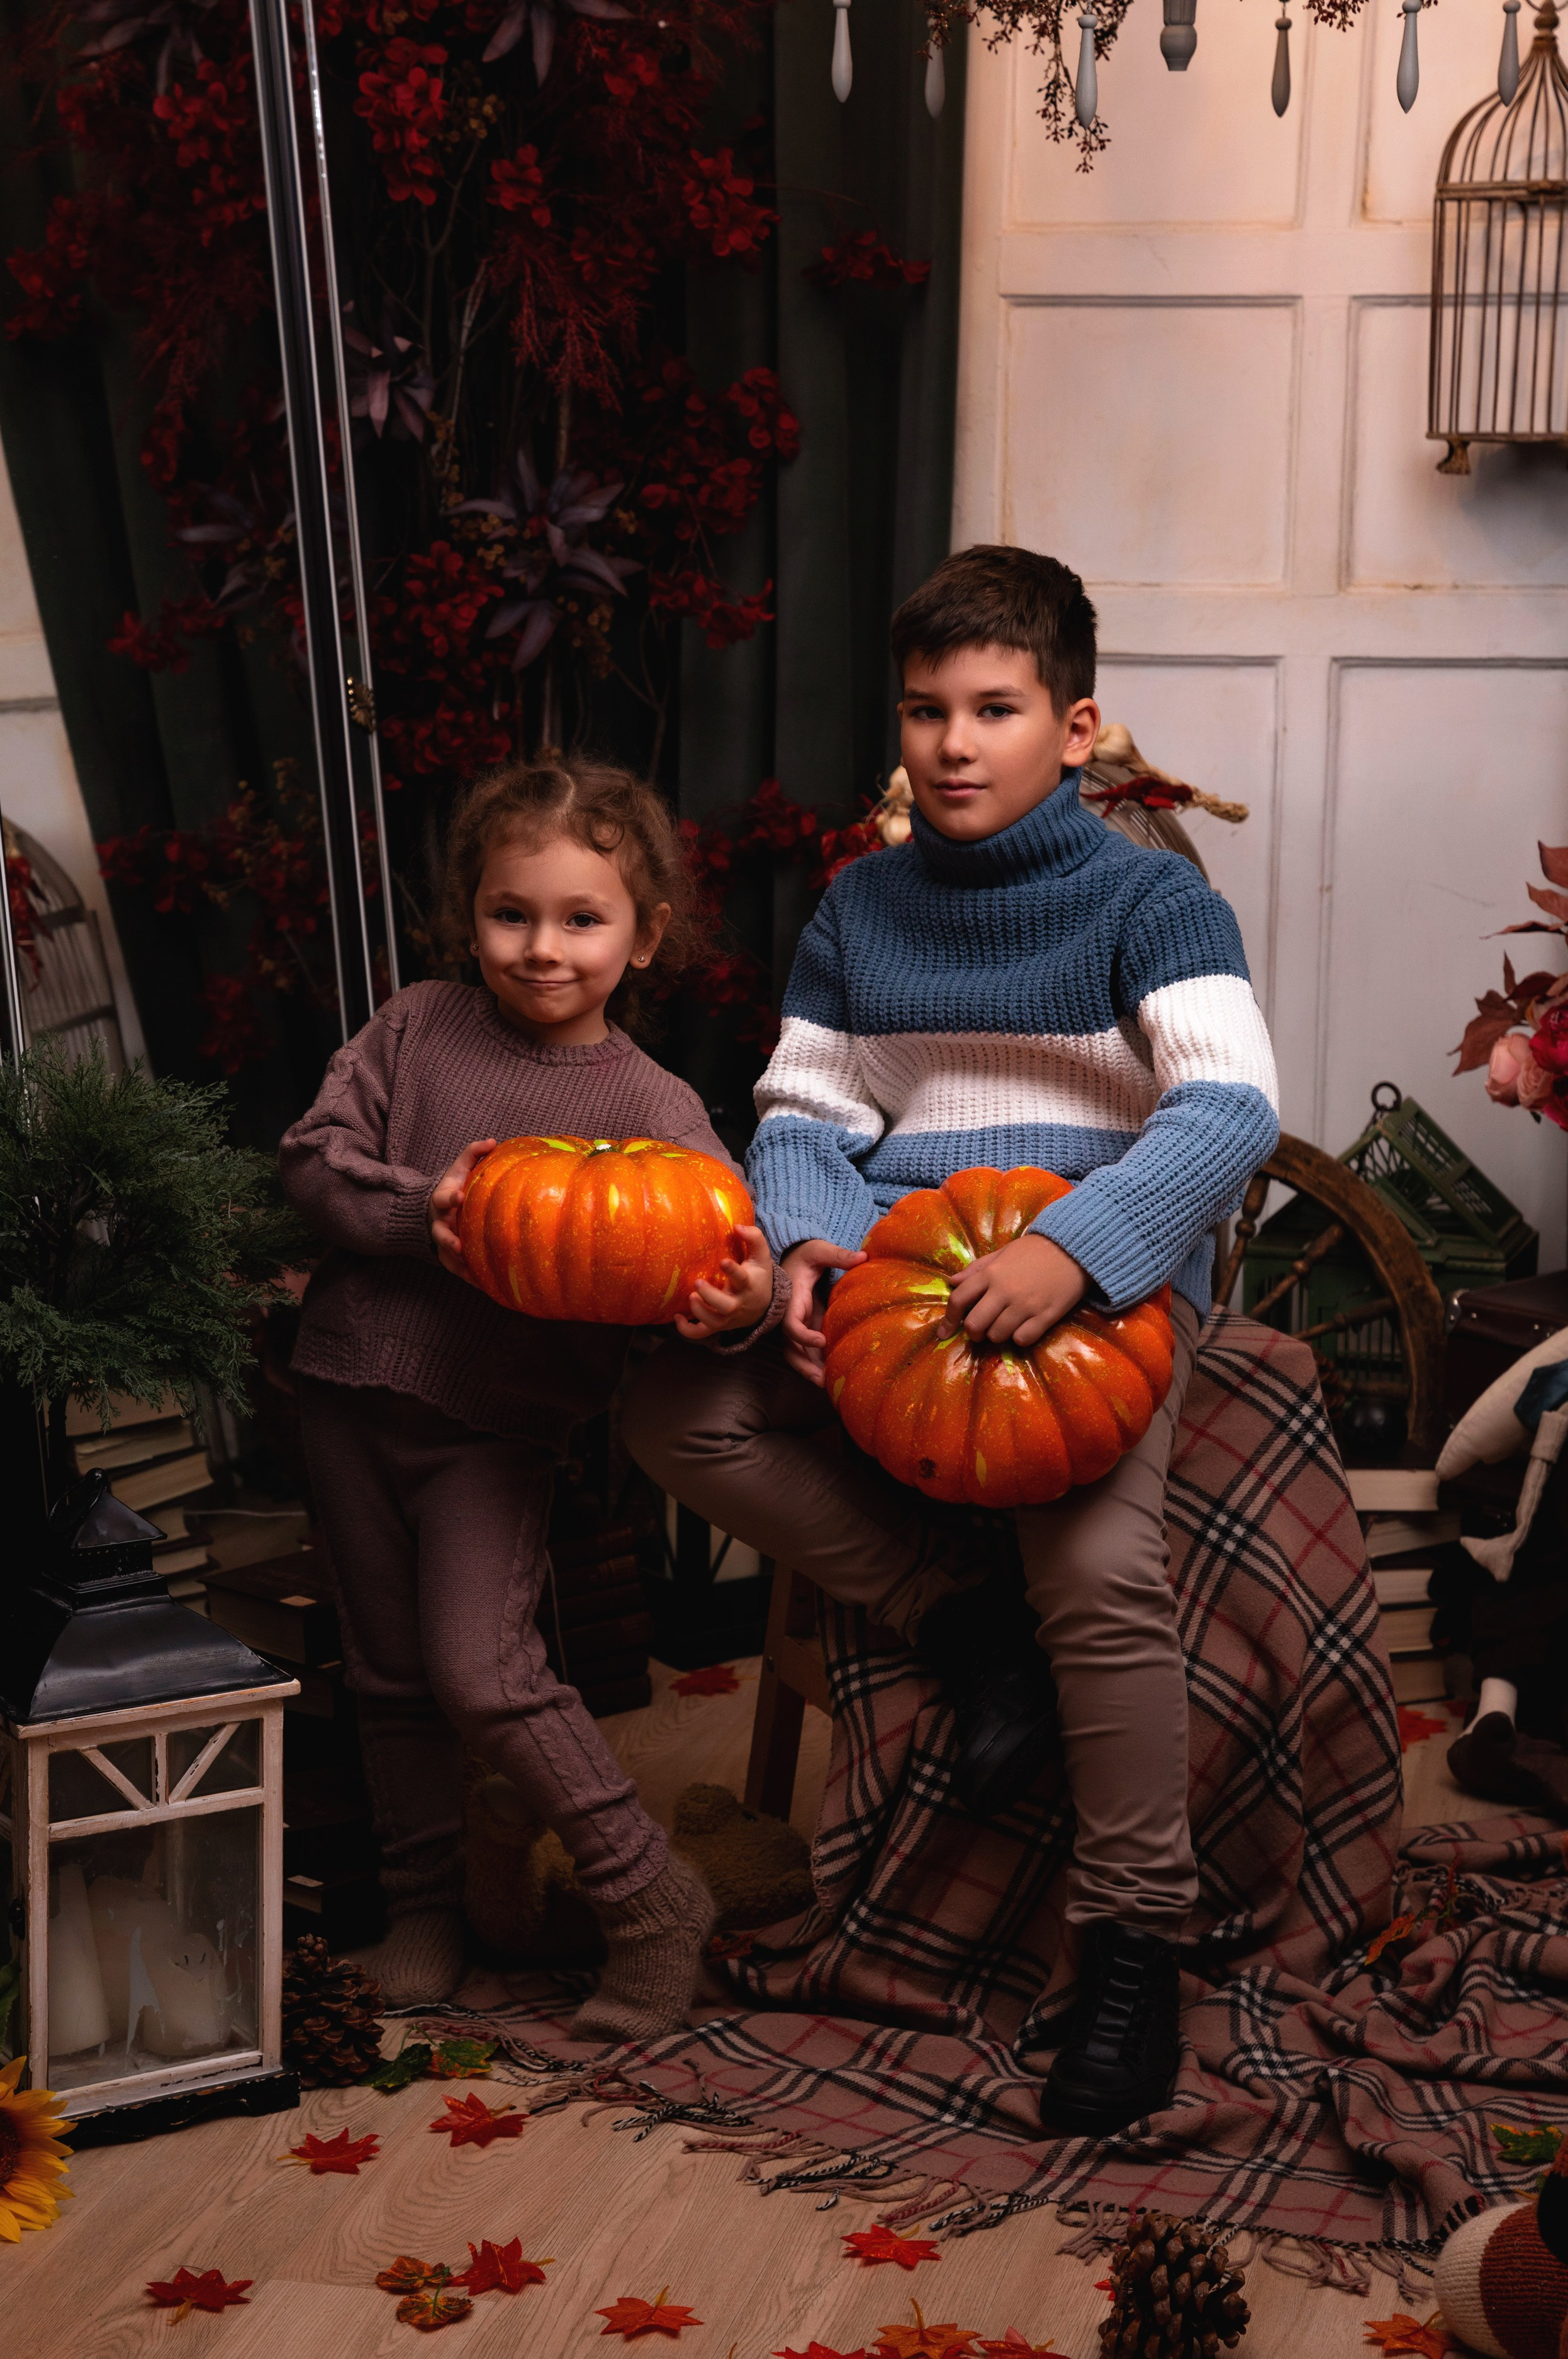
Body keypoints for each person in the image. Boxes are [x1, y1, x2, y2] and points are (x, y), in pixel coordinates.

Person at [623, 546, 1280, 2134]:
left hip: (1084, 1281)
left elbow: (1228, 1109)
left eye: (996, 707)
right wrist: (807, 1248)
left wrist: (1084, 1249)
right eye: (927, 710)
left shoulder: (1149, 897)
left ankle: (1134, 1943)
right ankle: (954, 1622)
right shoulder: (860, 904)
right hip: (896, 1274)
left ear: (1077, 725)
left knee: (1095, 1564)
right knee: (671, 1407)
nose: (955, 742)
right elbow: (805, 1106)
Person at [279, 758, 780, 2039]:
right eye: (512, 914)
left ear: (643, 933)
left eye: (580, 918)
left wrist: (743, 1300)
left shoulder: (650, 1106)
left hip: (491, 1430)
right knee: (388, 1672)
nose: (542, 947)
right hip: (343, 1387)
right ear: (470, 915)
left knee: (483, 1668)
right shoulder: (418, 1024)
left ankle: (647, 1894)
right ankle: (426, 1911)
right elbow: (312, 1163)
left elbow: (727, 1248)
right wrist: (414, 1209)